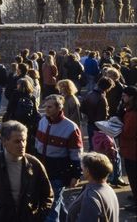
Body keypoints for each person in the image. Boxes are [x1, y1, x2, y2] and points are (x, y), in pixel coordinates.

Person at [0, 120, 53, 222]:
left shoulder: (34, 164)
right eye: (17, 141)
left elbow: (48, 195)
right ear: (4, 142)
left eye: (24, 140)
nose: (22, 145)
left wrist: (39, 215)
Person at [35, 94, 83, 222]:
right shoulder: (42, 121)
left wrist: (76, 175)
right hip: (42, 170)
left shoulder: (71, 128)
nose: (46, 109)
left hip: (58, 173)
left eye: (50, 107)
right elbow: (37, 144)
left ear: (59, 108)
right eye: (46, 106)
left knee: (51, 207)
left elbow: (76, 154)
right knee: (57, 202)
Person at [67, 152, 120, 222]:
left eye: (82, 167)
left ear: (88, 171)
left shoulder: (90, 197)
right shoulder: (108, 189)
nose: (81, 169)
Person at [3, 78, 40, 154]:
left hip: (15, 119)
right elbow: (35, 111)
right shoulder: (31, 96)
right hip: (27, 121)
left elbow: (10, 108)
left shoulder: (15, 94)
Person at [81, 77, 114, 151]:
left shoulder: (89, 94)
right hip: (98, 126)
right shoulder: (102, 98)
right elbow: (103, 115)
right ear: (107, 88)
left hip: (90, 123)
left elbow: (82, 108)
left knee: (91, 145)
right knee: (98, 147)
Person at [120, 86, 137, 212]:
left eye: (125, 95)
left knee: (133, 176)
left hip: (132, 150)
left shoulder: (132, 114)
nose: (122, 97)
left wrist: (116, 129)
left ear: (131, 97)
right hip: (131, 149)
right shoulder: (130, 110)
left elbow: (128, 133)